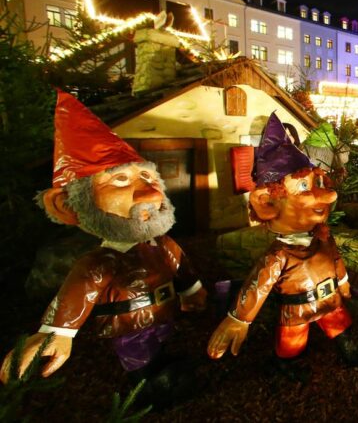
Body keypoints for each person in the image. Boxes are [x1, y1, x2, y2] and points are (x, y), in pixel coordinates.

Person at [0, 91, 206, 405]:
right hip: (127, 324)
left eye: (148, 177)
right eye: (120, 180)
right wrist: (57, 332)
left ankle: (163, 376)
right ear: (68, 206)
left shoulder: (163, 244)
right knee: (140, 360)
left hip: (165, 313)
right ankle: (146, 394)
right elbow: (77, 292)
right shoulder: (100, 262)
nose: (150, 193)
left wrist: (192, 291)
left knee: (162, 344)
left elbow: (182, 267)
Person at [208, 115, 358, 380]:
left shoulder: (322, 237)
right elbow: (258, 286)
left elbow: (335, 260)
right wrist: (239, 318)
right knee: (293, 338)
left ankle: (349, 348)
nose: (328, 195)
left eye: (317, 183)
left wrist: (343, 283)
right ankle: (286, 363)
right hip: (298, 307)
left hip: (328, 298)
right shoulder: (279, 255)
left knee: (337, 321)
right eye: (304, 186)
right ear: (267, 203)